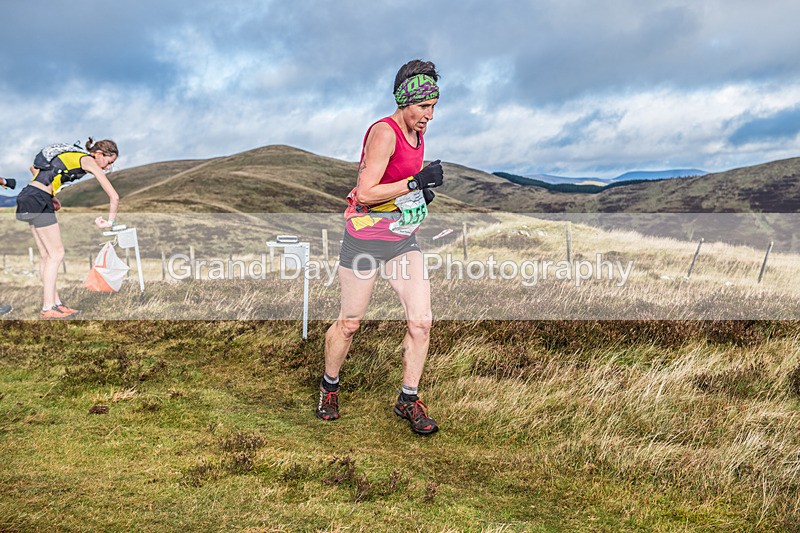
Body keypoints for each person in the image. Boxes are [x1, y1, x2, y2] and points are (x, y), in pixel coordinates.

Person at [316, 60, 444, 435]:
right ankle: (329, 387)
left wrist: (419, 196)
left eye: (434, 106)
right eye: (423, 106)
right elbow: (368, 194)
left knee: (421, 321)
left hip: (402, 239)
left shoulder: (418, 136)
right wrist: (415, 182)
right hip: (365, 241)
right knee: (350, 322)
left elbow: (399, 188)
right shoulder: (384, 133)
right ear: (406, 100)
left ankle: (408, 399)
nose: (429, 115)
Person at [15, 138, 120, 319]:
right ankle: (48, 308)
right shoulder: (88, 160)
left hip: (29, 196)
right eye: (109, 162)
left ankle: (55, 304)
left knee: (47, 255)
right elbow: (114, 196)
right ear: (100, 154)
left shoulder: (74, 155)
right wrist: (109, 222)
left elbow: (34, 169)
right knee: (57, 254)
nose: (108, 168)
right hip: (38, 199)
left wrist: (51, 194)